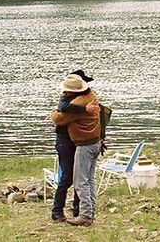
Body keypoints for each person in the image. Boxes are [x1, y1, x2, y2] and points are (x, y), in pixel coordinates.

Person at [50, 73, 101, 227]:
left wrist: (54, 112)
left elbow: (58, 118)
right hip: (87, 142)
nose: (64, 93)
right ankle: (84, 212)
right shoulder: (90, 97)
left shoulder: (78, 103)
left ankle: (83, 214)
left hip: (81, 144)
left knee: (79, 180)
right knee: (85, 178)